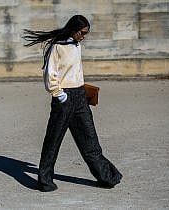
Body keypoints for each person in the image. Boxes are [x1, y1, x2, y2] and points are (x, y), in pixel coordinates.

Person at [22, 15, 122, 192]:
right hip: (64, 98)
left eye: (86, 33)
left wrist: (82, 91)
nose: (84, 36)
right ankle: (45, 181)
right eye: (82, 33)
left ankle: (107, 177)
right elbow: (49, 73)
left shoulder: (76, 45)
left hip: (80, 96)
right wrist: (59, 94)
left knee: (90, 141)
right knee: (53, 141)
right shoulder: (57, 47)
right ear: (75, 29)